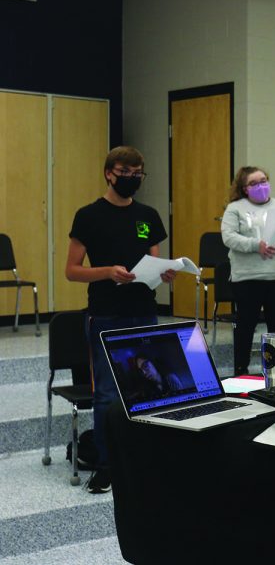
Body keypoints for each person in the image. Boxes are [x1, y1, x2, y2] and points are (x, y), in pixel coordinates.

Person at [66, 146, 176, 494]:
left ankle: (142, 456)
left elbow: (154, 265)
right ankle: (105, 463)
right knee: (108, 394)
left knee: (149, 387)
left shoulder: (148, 215)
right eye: (125, 172)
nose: (132, 178)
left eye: (138, 172)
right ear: (109, 173)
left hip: (144, 309)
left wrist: (165, 273)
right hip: (106, 312)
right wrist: (107, 272)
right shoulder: (88, 215)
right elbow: (72, 271)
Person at [221, 166, 275, 377]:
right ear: (245, 188)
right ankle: (241, 371)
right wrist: (257, 245)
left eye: (264, 180)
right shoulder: (235, 208)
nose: (261, 186)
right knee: (246, 325)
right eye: (254, 183)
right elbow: (228, 237)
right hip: (248, 277)